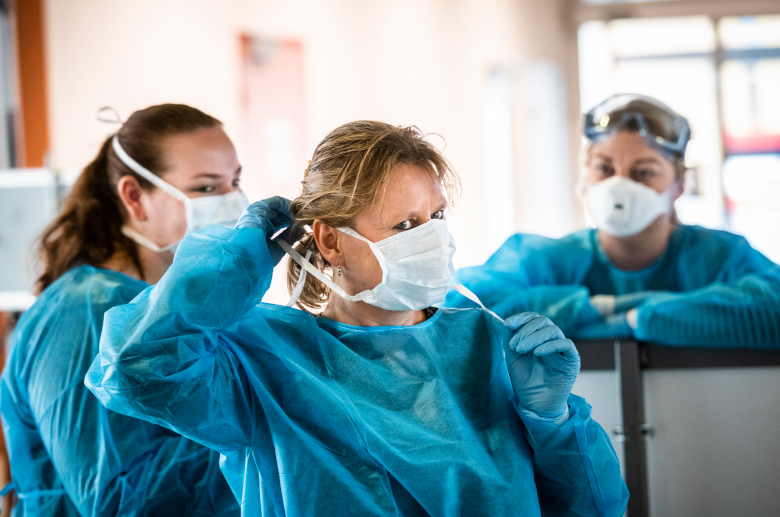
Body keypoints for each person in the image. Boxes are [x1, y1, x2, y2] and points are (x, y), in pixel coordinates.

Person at [86, 120, 628, 516]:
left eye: (435, 217)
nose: (431, 238)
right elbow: (138, 368)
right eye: (404, 224)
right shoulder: (265, 361)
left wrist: (553, 421)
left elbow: (597, 509)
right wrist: (239, 256)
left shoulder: (490, 346)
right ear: (329, 240)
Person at [0, 104, 244, 516]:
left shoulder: (173, 307)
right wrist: (263, 431)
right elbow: (119, 500)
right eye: (205, 188)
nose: (234, 203)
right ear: (134, 196)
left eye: (236, 182)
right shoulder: (83, 312)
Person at [449, 94, 780, 346]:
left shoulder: (719, 257)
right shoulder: (542, 260)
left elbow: (772, 305)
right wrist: (598, 308)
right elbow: (462, 310)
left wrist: (641, 318)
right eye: (605, 169)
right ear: (586, 177)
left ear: (678, 186)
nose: (620, 186)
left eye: (644, 173)